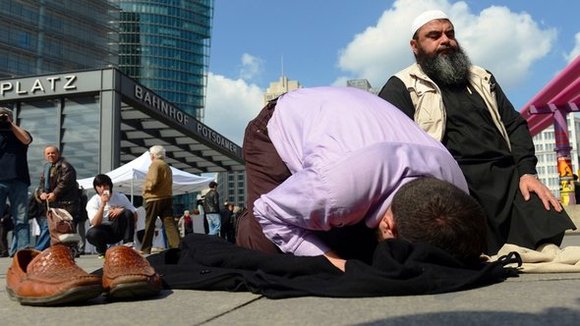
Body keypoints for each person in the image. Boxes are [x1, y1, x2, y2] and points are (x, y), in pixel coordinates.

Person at [378, 10, 576, 255]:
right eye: (434, 35)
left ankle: (537, 246)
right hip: (452, 179)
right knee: (451, 236)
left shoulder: (482, 77)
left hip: (506, 176)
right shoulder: (401, 85)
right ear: (415, 46)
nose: (445, 40)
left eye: (450, 33)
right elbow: (389, 144)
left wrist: (527, 173)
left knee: (542, 214)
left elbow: (515, 125)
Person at [235, 86, 488, 271]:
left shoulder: (456, 186)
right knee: (267, 252)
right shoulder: (334, 189)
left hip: (351, 126)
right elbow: (267, 212)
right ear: (388, 224)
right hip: (278, 122)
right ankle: (241, 220)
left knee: (355, 245)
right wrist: (336, 264)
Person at [0, 107, 32, 256]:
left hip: (18, 180)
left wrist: (10, 124)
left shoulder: (19, 133)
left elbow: (26, 139)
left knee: (21, 218)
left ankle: (22, 251)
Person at [85, 174, 137, 258]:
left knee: (127, 212)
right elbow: (95, 223)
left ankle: (128, 245)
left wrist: (122, 210)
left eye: (105, 185)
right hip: (102, 231)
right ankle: (102, 250)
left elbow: (134, 216)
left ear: (110, 186)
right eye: (99, 186)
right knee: (91, 233)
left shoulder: (120, 197)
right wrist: (102, 205)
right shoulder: (93, 201)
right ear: (96, 188)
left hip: (117, 229)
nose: (103, 189)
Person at [141, 145, 180, 254]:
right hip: (167, 197)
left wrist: (145, 188)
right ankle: (176, 246)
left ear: (153, 155)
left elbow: (152, 181)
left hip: (154, 198)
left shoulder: (155, 164)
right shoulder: (166, 166)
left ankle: (145, 248)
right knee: (169, 223)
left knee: (150, 223)